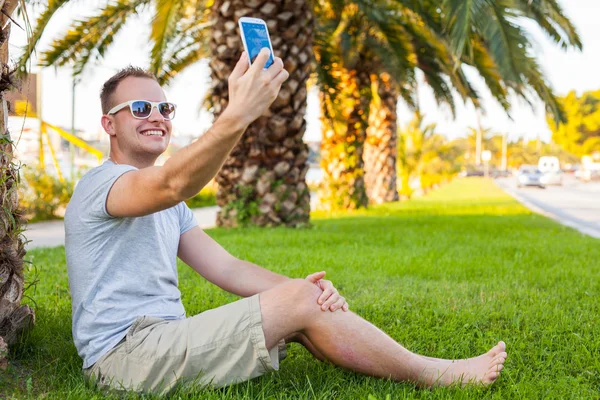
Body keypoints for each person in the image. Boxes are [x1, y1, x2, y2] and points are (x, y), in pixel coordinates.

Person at [65, 48, 507, 395]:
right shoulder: (102, 185)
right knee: (296, 302)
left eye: (164, 108)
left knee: (302, 303)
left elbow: (227, 268)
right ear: (110, 124)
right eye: (140, 109)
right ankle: (437, 375)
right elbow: (170, 185)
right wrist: (238, 113)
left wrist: (303, 290)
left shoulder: (168, 206)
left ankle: (406, 363)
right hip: (123, 359)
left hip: (164, 339)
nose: (157, 117)